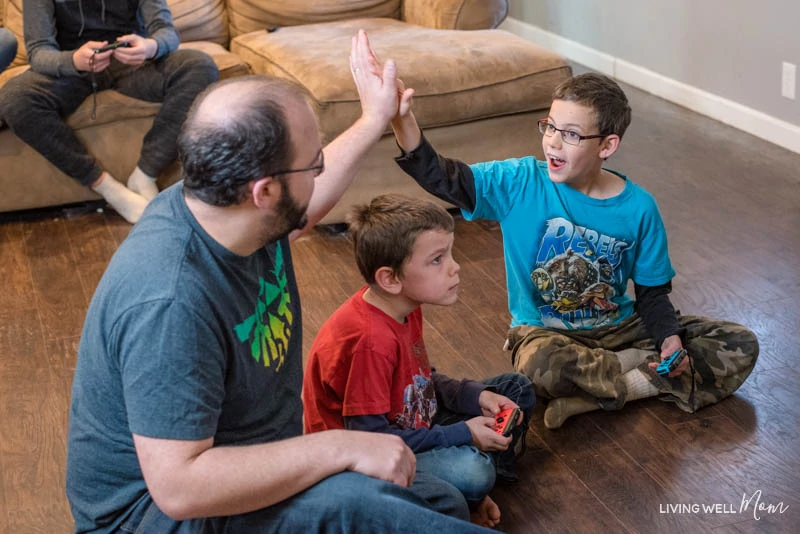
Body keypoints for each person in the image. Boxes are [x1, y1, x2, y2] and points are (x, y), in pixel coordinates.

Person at [65, 31, 495, 534]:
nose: (321, 170)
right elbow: (179, 488)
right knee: (367, 507)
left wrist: (375, 117)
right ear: (265, 191)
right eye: (313, 163)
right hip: (155, 516)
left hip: (254, 460)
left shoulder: (220, 204)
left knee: (440, 501)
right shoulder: (169, 300)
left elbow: (305, 204)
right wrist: (340, 446)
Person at [372, 53, 759, 429]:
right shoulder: (520, 181)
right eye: (550, 126)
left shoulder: (639, 208)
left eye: (571, 134)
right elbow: (444, 177)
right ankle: (640, 376)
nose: (554, 143)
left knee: (740, 343)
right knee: (538, 368)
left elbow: (653, 295)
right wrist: (402, 121)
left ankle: (608, 391)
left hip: (620, 329)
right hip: (547, 333)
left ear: (606, 146)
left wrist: (670, 341)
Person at [302, 194, 535, 528]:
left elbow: (420, 381)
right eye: (437, 260)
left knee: (517, 390)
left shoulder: (401, 306)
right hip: (364, 459)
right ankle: (473, 482)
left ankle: (473, 475)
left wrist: (475, 397)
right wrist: (462, 434)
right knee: (471, 473)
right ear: (390, 278)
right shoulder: (370, 342)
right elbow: (373, 442)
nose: (455, 266)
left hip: (410, 421)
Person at [0, 0, 218, 223]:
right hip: (72, 70)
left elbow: (167, 32)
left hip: (133, 65)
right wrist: (73, 60)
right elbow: (38, 52)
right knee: (14, 98)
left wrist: (150, 46)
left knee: (200, 65)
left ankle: (145, 175)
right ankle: (107, 188)